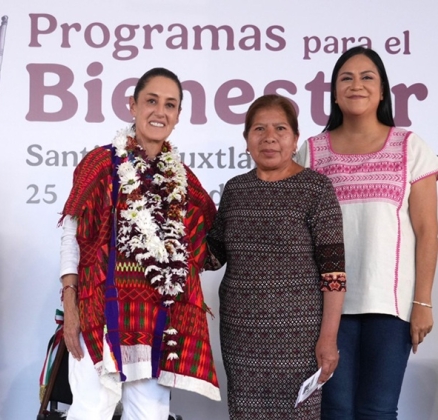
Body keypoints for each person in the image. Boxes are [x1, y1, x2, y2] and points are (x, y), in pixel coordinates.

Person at [58, 67, 221, 420]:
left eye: (170, 105)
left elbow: (204, 240)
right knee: (91, 410)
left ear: (178, 116)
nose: (159, 112)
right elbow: (72, 234)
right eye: (151, 101)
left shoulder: (183, 180)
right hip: (99, 312)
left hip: (156, 318)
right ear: (132, 105)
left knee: (150, 414)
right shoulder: (100, 163)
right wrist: (70, 305)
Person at [297, 46, 438, 419]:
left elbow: (428, 231)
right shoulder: (311, 152)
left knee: (377, 410)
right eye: (346, 77)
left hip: (390, 306)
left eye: (367, 77)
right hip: (327, 309)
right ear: (334, 93)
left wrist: (422, 302)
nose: (356, 85)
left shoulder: (411, 146)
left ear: (382, 91)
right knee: (336, 410)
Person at [207, 94, 347, 419]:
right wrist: (170, 233)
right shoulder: (235, 189)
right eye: (259, 129)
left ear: (295, 139)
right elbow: (213, 255)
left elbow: (334, 276)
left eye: (280, 129)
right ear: (246, 140)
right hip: (241, 336)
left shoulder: (316, 189)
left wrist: (328, 339)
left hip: (299, 338)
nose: (269, 138)